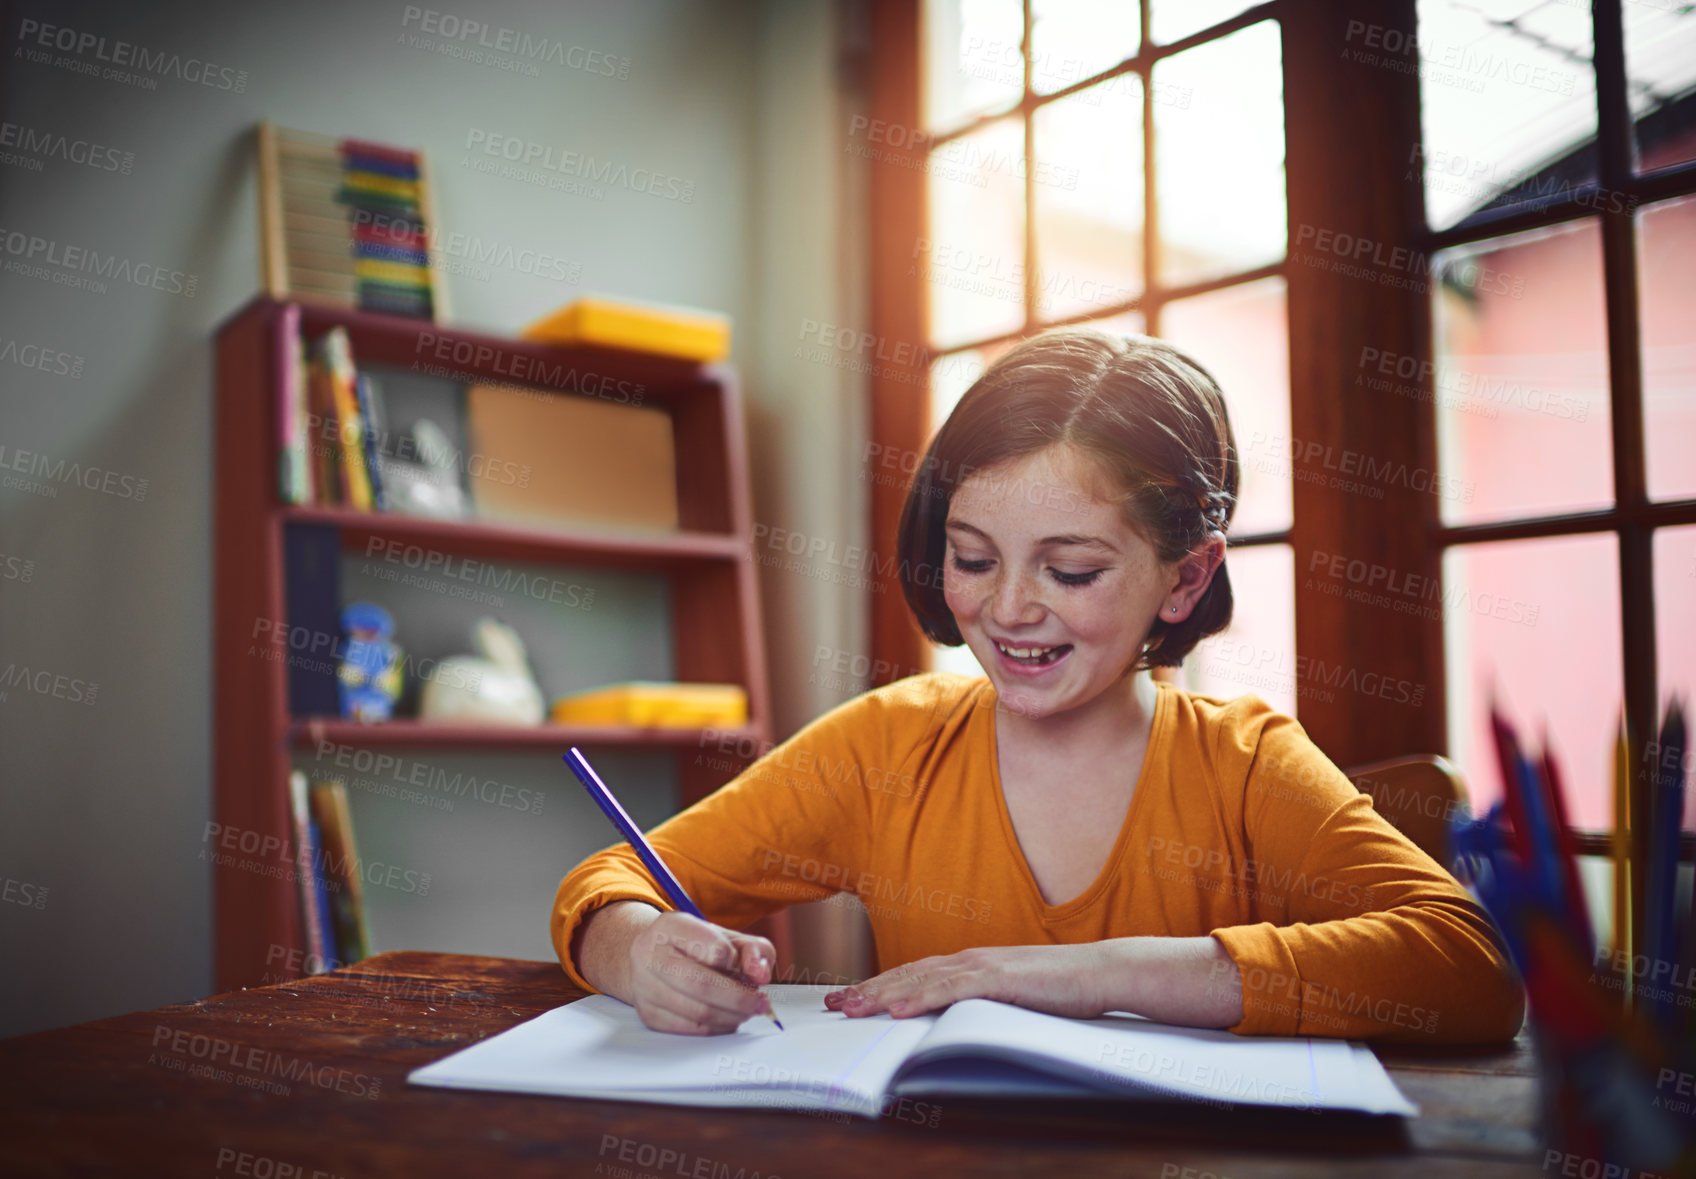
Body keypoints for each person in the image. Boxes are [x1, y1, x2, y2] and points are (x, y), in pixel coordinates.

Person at [550, 329, 1525, 1043]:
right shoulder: (888, 748)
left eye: (1069, 572)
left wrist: (1079, 975)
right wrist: (638, 952)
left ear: (1183, 577)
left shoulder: (1243, 765)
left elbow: (1467, 969)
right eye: (972, 559)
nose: (1010, 610)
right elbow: (606, 883)